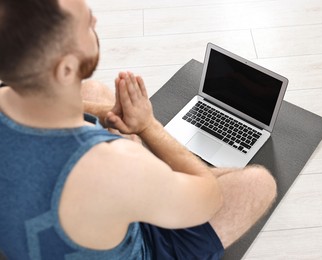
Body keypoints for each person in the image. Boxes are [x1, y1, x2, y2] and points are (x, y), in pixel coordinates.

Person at [0, 0, 277, 259]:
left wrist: (107, 114)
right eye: (86, 24)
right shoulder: (115, 165)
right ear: (66, 68)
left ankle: (159, 186)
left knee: (96, 93)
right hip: (143, 240)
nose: (94, 20)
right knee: (258, 182)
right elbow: (209, 197)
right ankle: (162, 188)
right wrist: (147, 126)